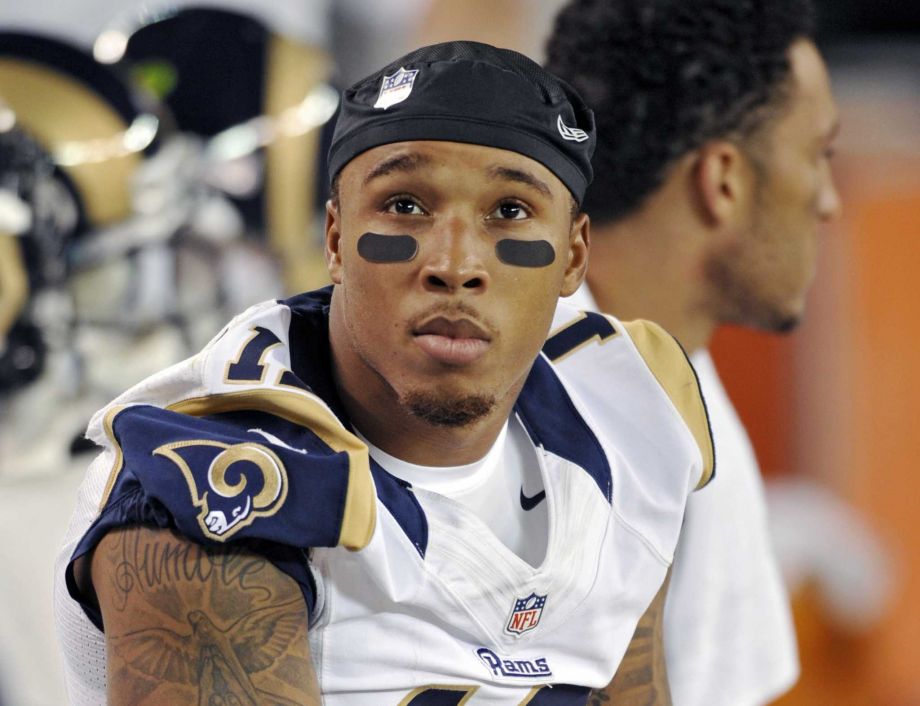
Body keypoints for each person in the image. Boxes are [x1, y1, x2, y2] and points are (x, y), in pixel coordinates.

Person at [55, 41, 714, 705]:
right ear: (336, 240)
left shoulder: (626, 412)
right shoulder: (223, 479)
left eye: (510, 211)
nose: (455, 265)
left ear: (573, 258)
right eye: (405, 205)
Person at [545, 2, 841, 704]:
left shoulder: (681, 377)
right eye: (818, 155)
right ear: (725, 181)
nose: (828, 201)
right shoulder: (511, 408)